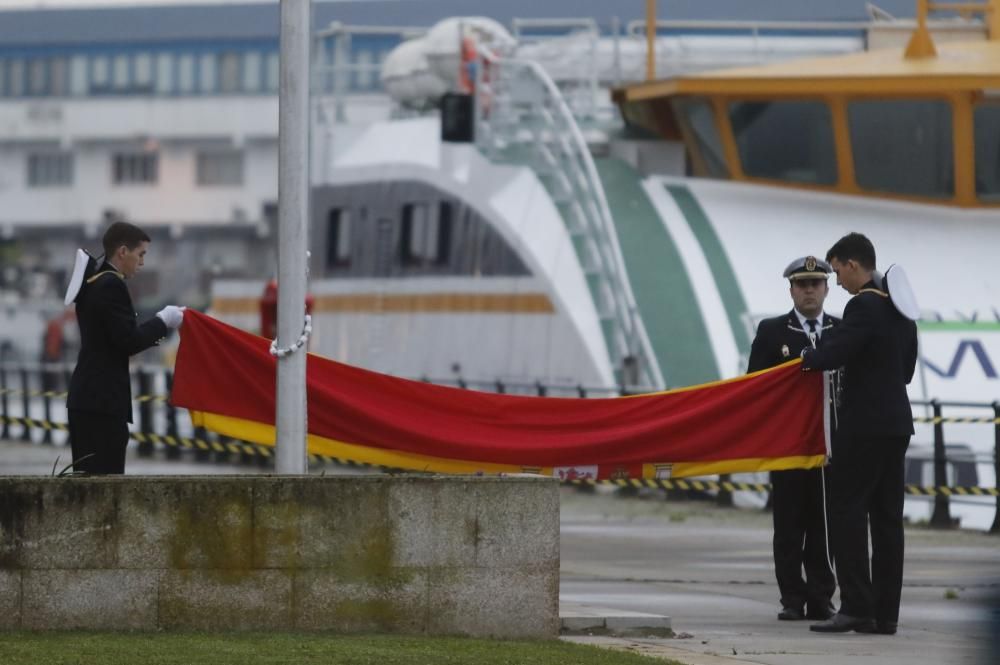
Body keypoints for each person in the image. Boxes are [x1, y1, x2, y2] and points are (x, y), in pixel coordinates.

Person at [802, 233, 918, 635]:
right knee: (888, 521)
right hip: (896, 425)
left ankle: (855, 605)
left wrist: (808, 356)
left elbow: (832, 355)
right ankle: (886, 614)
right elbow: (906, 370)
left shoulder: (863, 306)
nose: (837, 282)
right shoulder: (901, 307)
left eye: (836, 271)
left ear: (852, 265)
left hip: (864, 427)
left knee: (847, 511)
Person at [747, 255, 838, 622]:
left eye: (816, 284)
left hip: (828, 447)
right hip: (787, 445)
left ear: (826, 289)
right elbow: (754, 385)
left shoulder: (840, 330)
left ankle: (820, 596)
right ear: (792, 290)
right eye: (802, 285)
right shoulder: (773, 331)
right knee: (788, 526)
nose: (809, 291)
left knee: (825, 526)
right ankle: (791, 597)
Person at [66, 222, 185, 474]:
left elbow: (118, 338)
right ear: (122, 252)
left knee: (88, 487)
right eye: (140, 254)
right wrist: (164, 322)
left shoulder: (95, 282)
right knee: (105, 488)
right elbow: (128, 341)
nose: (142, 262)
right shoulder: (111, 285)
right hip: (102, 403)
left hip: (89, 400)